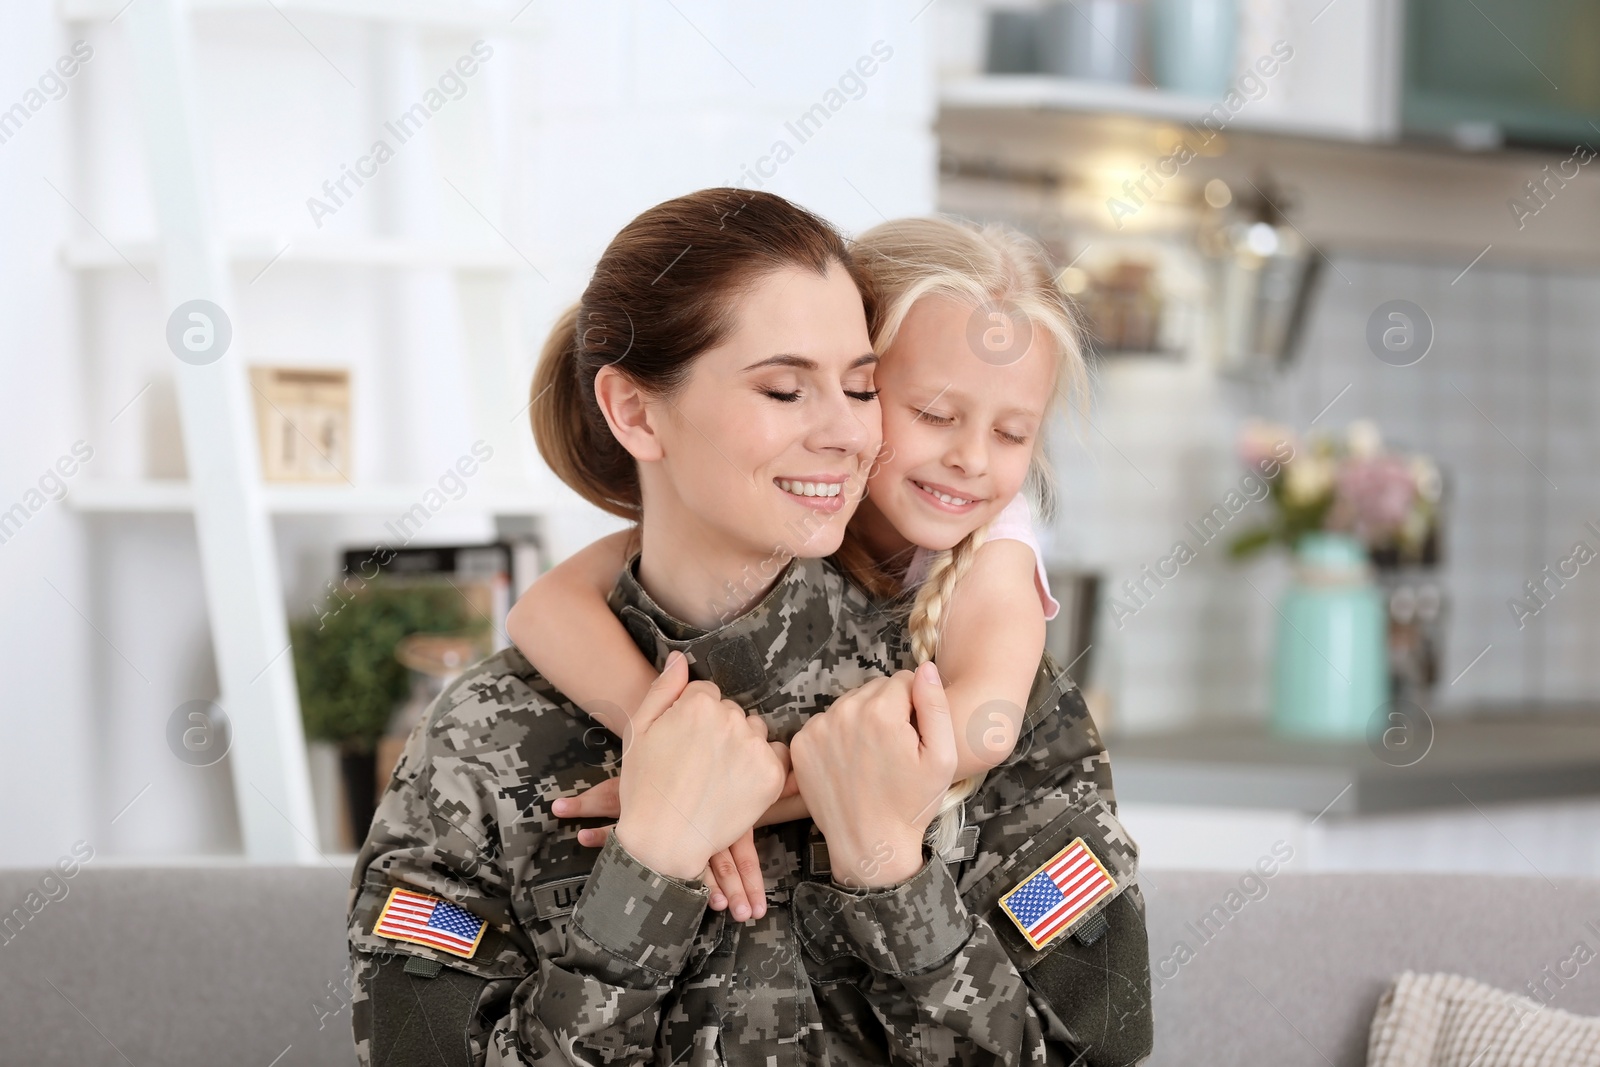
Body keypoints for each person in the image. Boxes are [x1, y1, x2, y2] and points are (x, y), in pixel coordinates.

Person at [345, 188, 1152, 1067]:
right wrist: (645, 870)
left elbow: (1099, 1054)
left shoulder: (983, 704)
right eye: (783, 387)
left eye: (860, 388)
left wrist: (892, 872)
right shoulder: (481, 736)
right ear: (634, 411)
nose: (848, 431)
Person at [508, 215, 1086, 925]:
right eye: (934, 414)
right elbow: (544, 608)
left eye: (1012, 433)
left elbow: (988, 725)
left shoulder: (995, 538)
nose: (972, 457)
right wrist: (665, 748)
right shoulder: (779, 506)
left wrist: (740, 801)